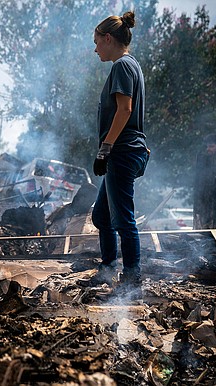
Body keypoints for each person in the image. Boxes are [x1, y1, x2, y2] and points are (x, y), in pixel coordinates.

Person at [87, 11, 149, 297]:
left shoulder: (122, 66)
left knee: (123, 218)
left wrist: (105, 149)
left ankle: (133, 276)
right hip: (124, 151)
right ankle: (108, 267)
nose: (96, 48)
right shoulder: (131, 65)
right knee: (101, 215)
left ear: (108, 38)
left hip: (122, 151)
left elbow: (124, 111)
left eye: (97, 41)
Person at [193, 133, 216, 236]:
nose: (208, 149)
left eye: (211, 146)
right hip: (208, 211)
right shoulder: (206, 163)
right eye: (207, 146)